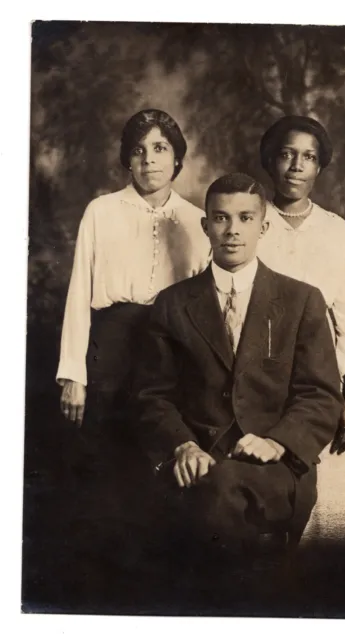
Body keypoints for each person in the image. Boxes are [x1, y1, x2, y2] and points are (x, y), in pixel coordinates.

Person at [134, 173, 343, 578]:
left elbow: (320, 395)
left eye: (245, 218)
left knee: (220, 497)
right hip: (196, 458)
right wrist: (182, 446)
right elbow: (151, 395)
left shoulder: (302, 300)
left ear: (263, 227)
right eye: (221, 218)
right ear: (205, 225)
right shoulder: (173, 304)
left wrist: (277, 442)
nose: (232, 231)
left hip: (275, 467)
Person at [55, 109, 210, 565]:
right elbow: (79, 290)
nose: (149, 160)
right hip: (110, 348)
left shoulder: (198, 220)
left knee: (164, 453)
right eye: (138, 151)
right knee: (107, 458)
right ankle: (107, 574)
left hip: (171, 351)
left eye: (160, 148)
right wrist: (73, 373)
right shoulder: (101, 211)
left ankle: (161, 573)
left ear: (177, 159)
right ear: (127, 160)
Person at [256, 115, 345, 543]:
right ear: (270, 161)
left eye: (309, 157)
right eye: (287, 155)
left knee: (327, 529)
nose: (297, 166)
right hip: (265, 385)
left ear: (320, 167)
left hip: (323, 388)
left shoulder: (339, 234)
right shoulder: (250, 224)